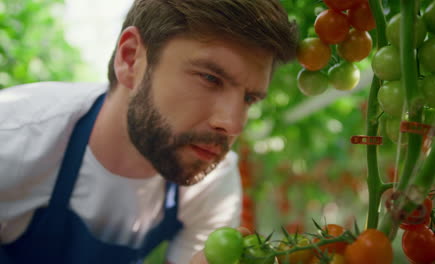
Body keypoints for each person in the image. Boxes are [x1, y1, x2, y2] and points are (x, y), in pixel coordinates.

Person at [0, 0, 297, 263]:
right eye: (210, 78)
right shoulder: (12, 140)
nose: (233, 124)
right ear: (130, 59)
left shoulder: (211, 185)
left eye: (249, 98)